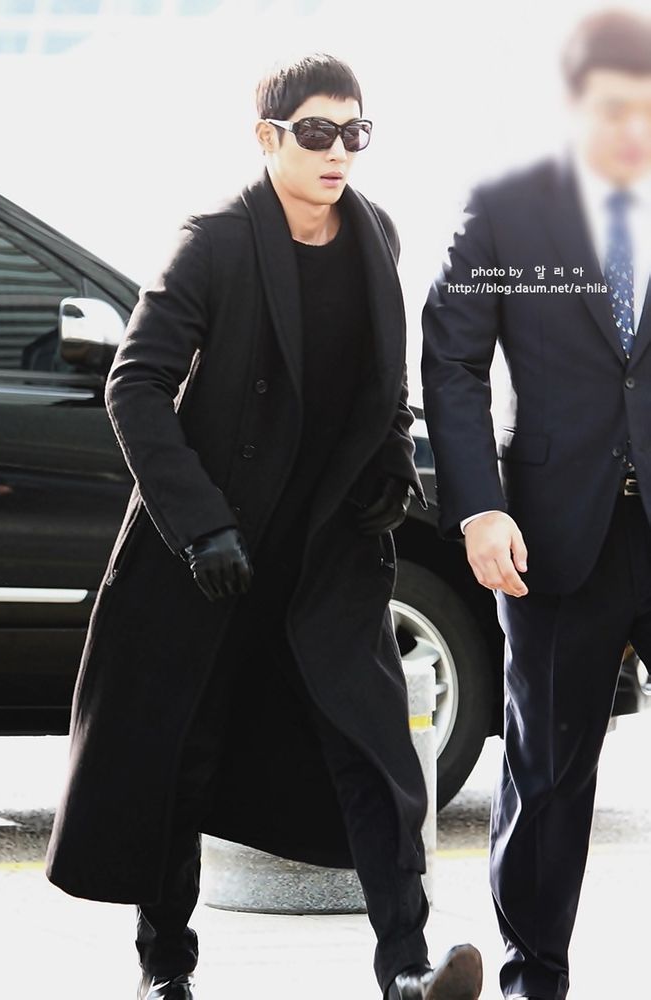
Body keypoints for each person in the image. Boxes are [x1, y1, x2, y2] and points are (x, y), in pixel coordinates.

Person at [45, 53, 483, 1000]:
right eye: (317, 132)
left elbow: (382, 386)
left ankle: (407, 970)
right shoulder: (212, 242)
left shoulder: (376, 234)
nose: (338, 152)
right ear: (267, 136)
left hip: (324, 553)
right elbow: (135, 385)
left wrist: (389, 469)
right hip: (212, 558)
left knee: (376, 756)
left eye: (355, 132)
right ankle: (165, 969)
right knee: (182, 762)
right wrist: (200, 526)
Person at [421, 9, 651, 1000]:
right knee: (549, 773)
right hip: (555, 532)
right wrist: (480, 509)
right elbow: (452, 359)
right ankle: (534, 979)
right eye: (613, 111)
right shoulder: (509, 207)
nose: (634, 131)